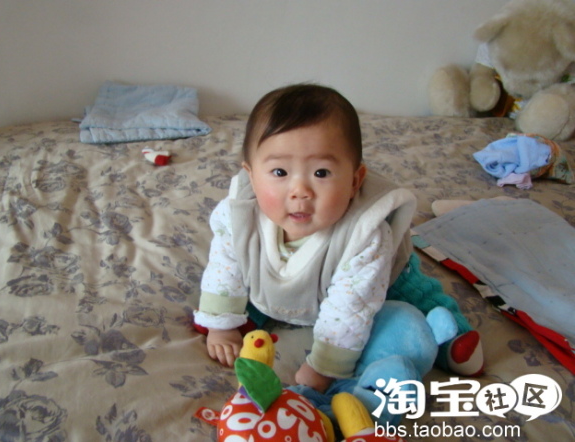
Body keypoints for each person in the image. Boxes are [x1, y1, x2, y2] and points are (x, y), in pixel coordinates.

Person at [194, 84, 483, 392]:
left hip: (375, 280)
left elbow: (351, 308)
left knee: (412, 293)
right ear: (251, 176)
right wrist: (221, 325)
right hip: (284, 280)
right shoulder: (238, 216)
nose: (300, 191)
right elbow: (225, 267)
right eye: (279, 172)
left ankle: (453, 336)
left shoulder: (366, 235)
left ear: (355, 181)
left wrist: (324, 366)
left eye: (321, 173)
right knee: (241, 291)